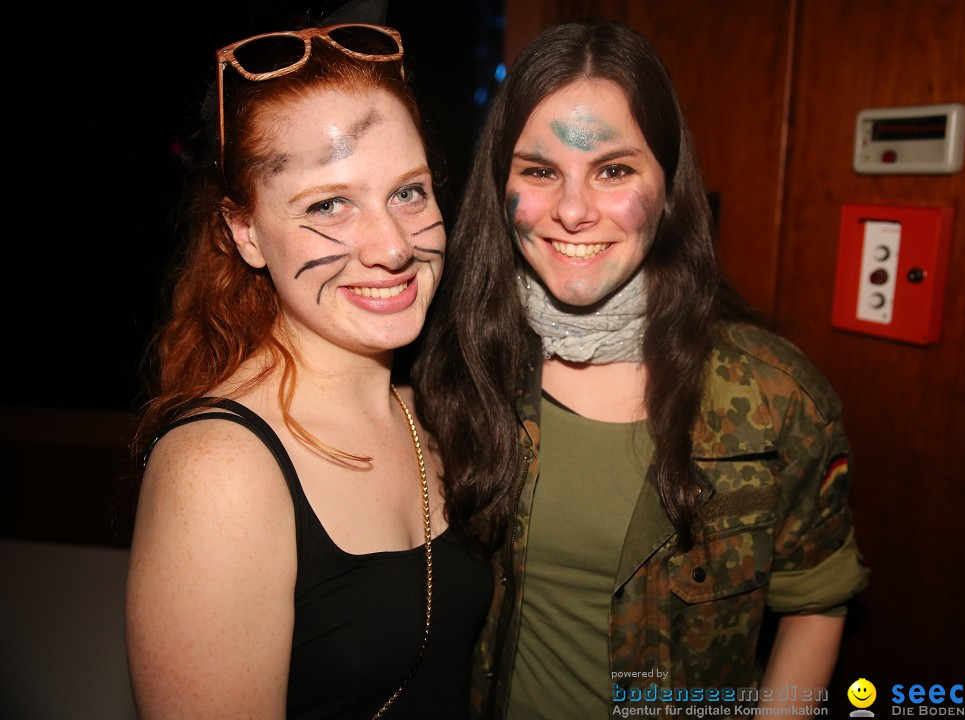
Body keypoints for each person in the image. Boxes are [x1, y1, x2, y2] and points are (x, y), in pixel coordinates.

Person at [415, 20, 869, 719]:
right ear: (499, 183)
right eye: (539, 171)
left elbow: (815, 604)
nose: (571, 210)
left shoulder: (779, 398)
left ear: (668, 184)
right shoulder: (457, 369)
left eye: (614, 170)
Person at [126, 23, 492, 719]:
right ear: (245, 232)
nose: (391, 247)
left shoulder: (430, 410)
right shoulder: (219, 469)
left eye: (409, 193)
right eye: (329, 205)